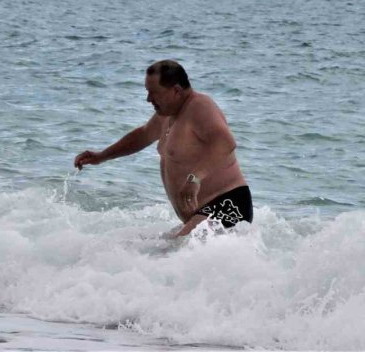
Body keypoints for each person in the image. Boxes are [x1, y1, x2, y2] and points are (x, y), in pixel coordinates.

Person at [74, 60, 252, 236]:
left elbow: (226, 143)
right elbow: (143, 135)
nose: (148, 99)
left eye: (154, 93)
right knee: (155, 251)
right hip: (202, 212)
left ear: (176, 90)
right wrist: (101, 156)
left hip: (229, 204)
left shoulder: (200, 107)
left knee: (172, 251)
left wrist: (194, 179)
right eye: (147, 92)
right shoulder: (167, 115)